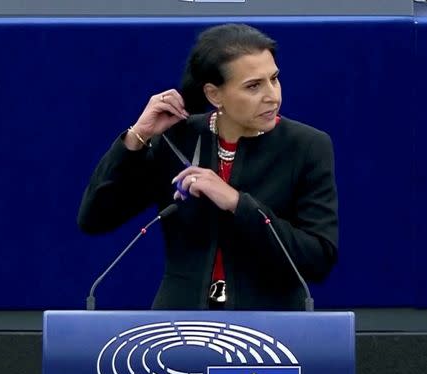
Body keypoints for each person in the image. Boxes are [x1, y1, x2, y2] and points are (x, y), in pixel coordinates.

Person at [78, 23, 338, 311]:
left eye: (274, 79)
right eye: (254, 86)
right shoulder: (177, 140)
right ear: (214, 95)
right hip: (179, 324)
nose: (272, 95)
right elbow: (95, 218)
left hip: (270, 326)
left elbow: (318, 260)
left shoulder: (307, 146)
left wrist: (238, 203)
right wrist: (137, 136)